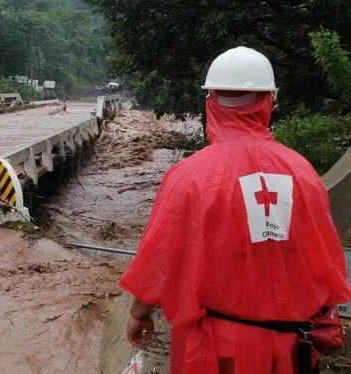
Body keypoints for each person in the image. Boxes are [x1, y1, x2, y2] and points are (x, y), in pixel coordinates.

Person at [118, 46, 351, 374]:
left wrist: (139, 314)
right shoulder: (302, 173)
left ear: (210, 101)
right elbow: (325, 262)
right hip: (292, 350)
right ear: (270, 100)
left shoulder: (189, 177)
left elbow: (159, 261)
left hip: (215, 351)